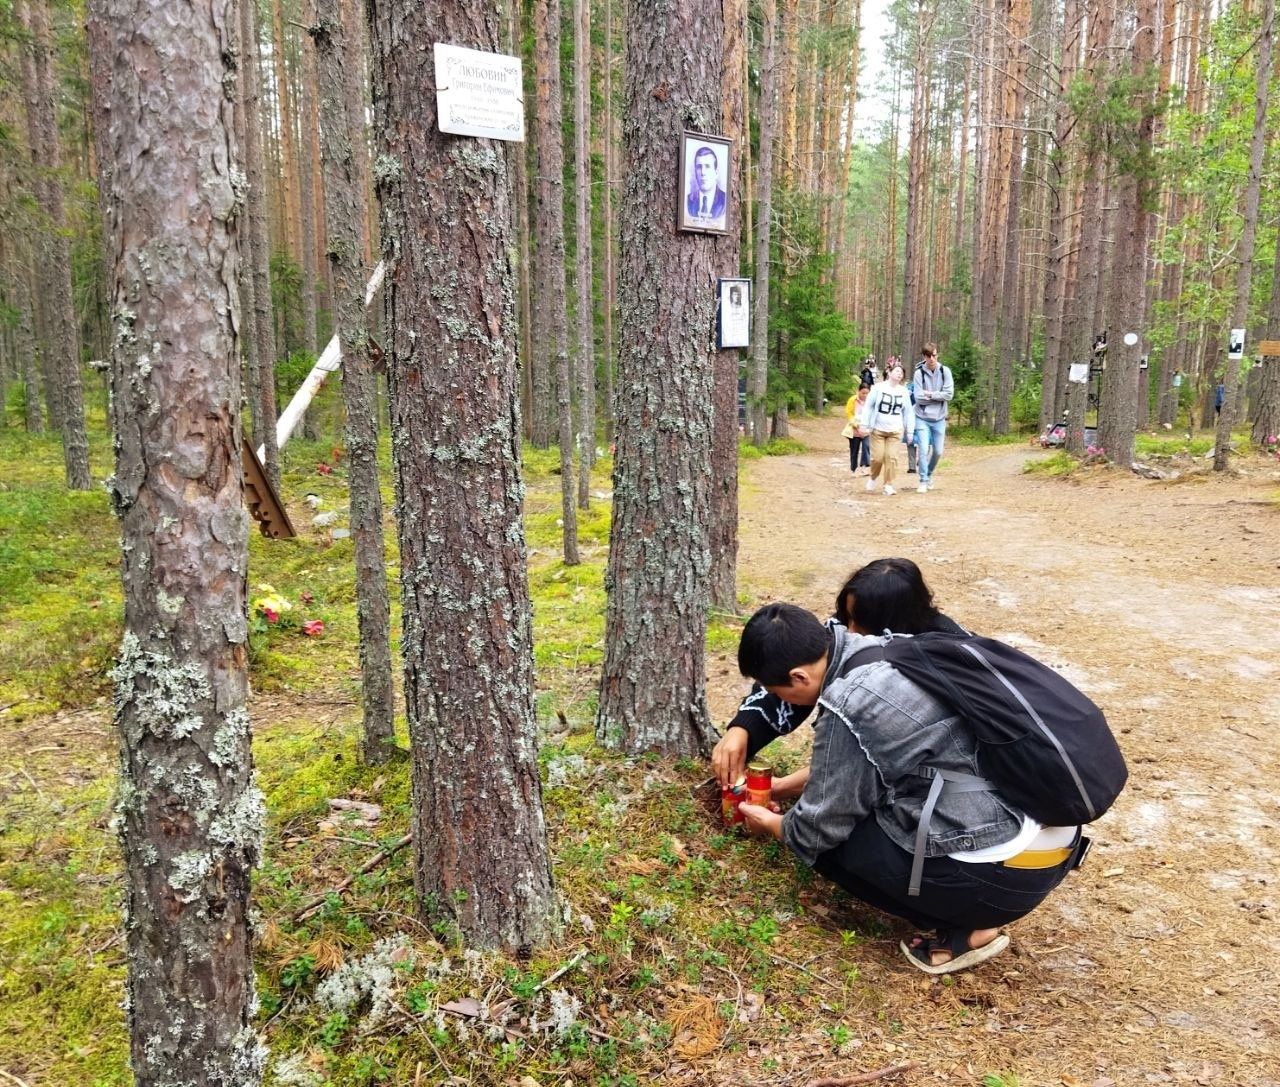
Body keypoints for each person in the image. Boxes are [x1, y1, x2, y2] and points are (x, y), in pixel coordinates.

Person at [731, 592, 1086, 975]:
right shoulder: (893, 647)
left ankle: (969, 923)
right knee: (858, 806)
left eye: (776, 691)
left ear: (799, 677)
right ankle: (971, 900)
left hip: (1002, 879)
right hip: (1052, 839)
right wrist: (783, 787)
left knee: (832, 844)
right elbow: (863, 761)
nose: (777, 698)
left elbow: (819, 828)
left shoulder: (850, 701)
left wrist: (774, 825)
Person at [712, 558, 968, 786]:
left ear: (897, 624)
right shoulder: (845, 628)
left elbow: (860, 762)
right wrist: (744, 728)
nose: (850, 632)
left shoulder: (943, 657)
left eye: (861, 624)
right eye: (848, 616)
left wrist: (788, 787)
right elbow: (796, 673)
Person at [859, 361, 914, 496]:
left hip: (896, 430)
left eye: (901, 372)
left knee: (891, 457)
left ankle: (888, 484)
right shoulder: (878, 388)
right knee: (877, 458)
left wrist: (910, 431)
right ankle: (873, 477)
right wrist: (863, 424)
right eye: (897, 371)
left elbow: (908, 412)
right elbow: (869, 407)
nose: (899, 374)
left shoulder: (904, 392)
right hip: (878, 429)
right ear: (889, 373)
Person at [912, 343, 954, 494]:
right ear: (924, 357)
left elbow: (949, 394)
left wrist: (930, 394)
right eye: (929, 356)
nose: (932, 359)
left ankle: (929, 474)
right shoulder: (919, 374)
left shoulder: (945, 371)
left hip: (939, 418)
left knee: (938, 451)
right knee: (923, 448)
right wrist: (938, 395)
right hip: (921, 417)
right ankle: (923, 480)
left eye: (934, 355)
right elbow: (918, 397)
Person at [686, 145, 726, 225]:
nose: (703, 172)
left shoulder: (724, 201)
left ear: (716, 173)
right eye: (699, 167)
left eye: (707, 166)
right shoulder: (688, 201)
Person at [843, 384, 872, 475]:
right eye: (863, 393)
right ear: (858, 391)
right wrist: (855, 424)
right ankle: (853, 468)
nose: (865, 395)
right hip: (855, 429)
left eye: (867, 393)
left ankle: (865, 466)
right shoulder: (852, 400)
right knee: (854, 449)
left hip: (866, 429)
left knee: (866, 447)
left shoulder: (870, 401)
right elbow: (849, 413)